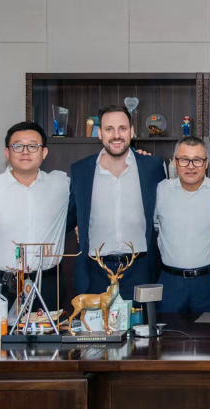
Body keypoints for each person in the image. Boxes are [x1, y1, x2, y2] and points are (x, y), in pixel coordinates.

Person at [0, 122, 68, 313]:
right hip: (2, 286)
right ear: (7, 152)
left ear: (44, 152)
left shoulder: (61, 184)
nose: (25, 152)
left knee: (50, 333)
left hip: (48, 285)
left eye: (33, 146)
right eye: (18, 146)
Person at [68, 105, 166, 298]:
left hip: (140, 270)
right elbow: (70, 216)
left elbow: (165, 212)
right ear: (100, 133)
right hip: (95, 271)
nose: (116, 135)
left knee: (141, 319)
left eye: (122, 128)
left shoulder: (152, 167)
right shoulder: (81, 170)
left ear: (132, 131)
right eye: (109, 129)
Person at [154, 137, 210, 313]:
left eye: (197, 160)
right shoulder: (160, 190)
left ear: (206, 163)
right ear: (175, 162)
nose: (191, 166)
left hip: (209, 283)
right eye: (184, 160)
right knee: (167, 330)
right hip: (170, 283)